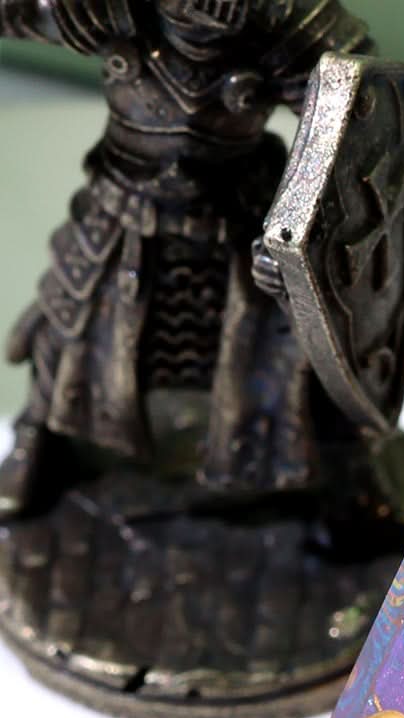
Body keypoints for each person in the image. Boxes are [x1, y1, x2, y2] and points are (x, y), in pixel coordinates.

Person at [0, 0, 376, 515]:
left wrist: (300, 240)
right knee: (71, 324)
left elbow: (355, 113)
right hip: (123, 211)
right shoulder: (114, 12)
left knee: (293, 346)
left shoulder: (284, 26)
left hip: (239, 217)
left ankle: (337, 469)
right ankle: (40, 440)